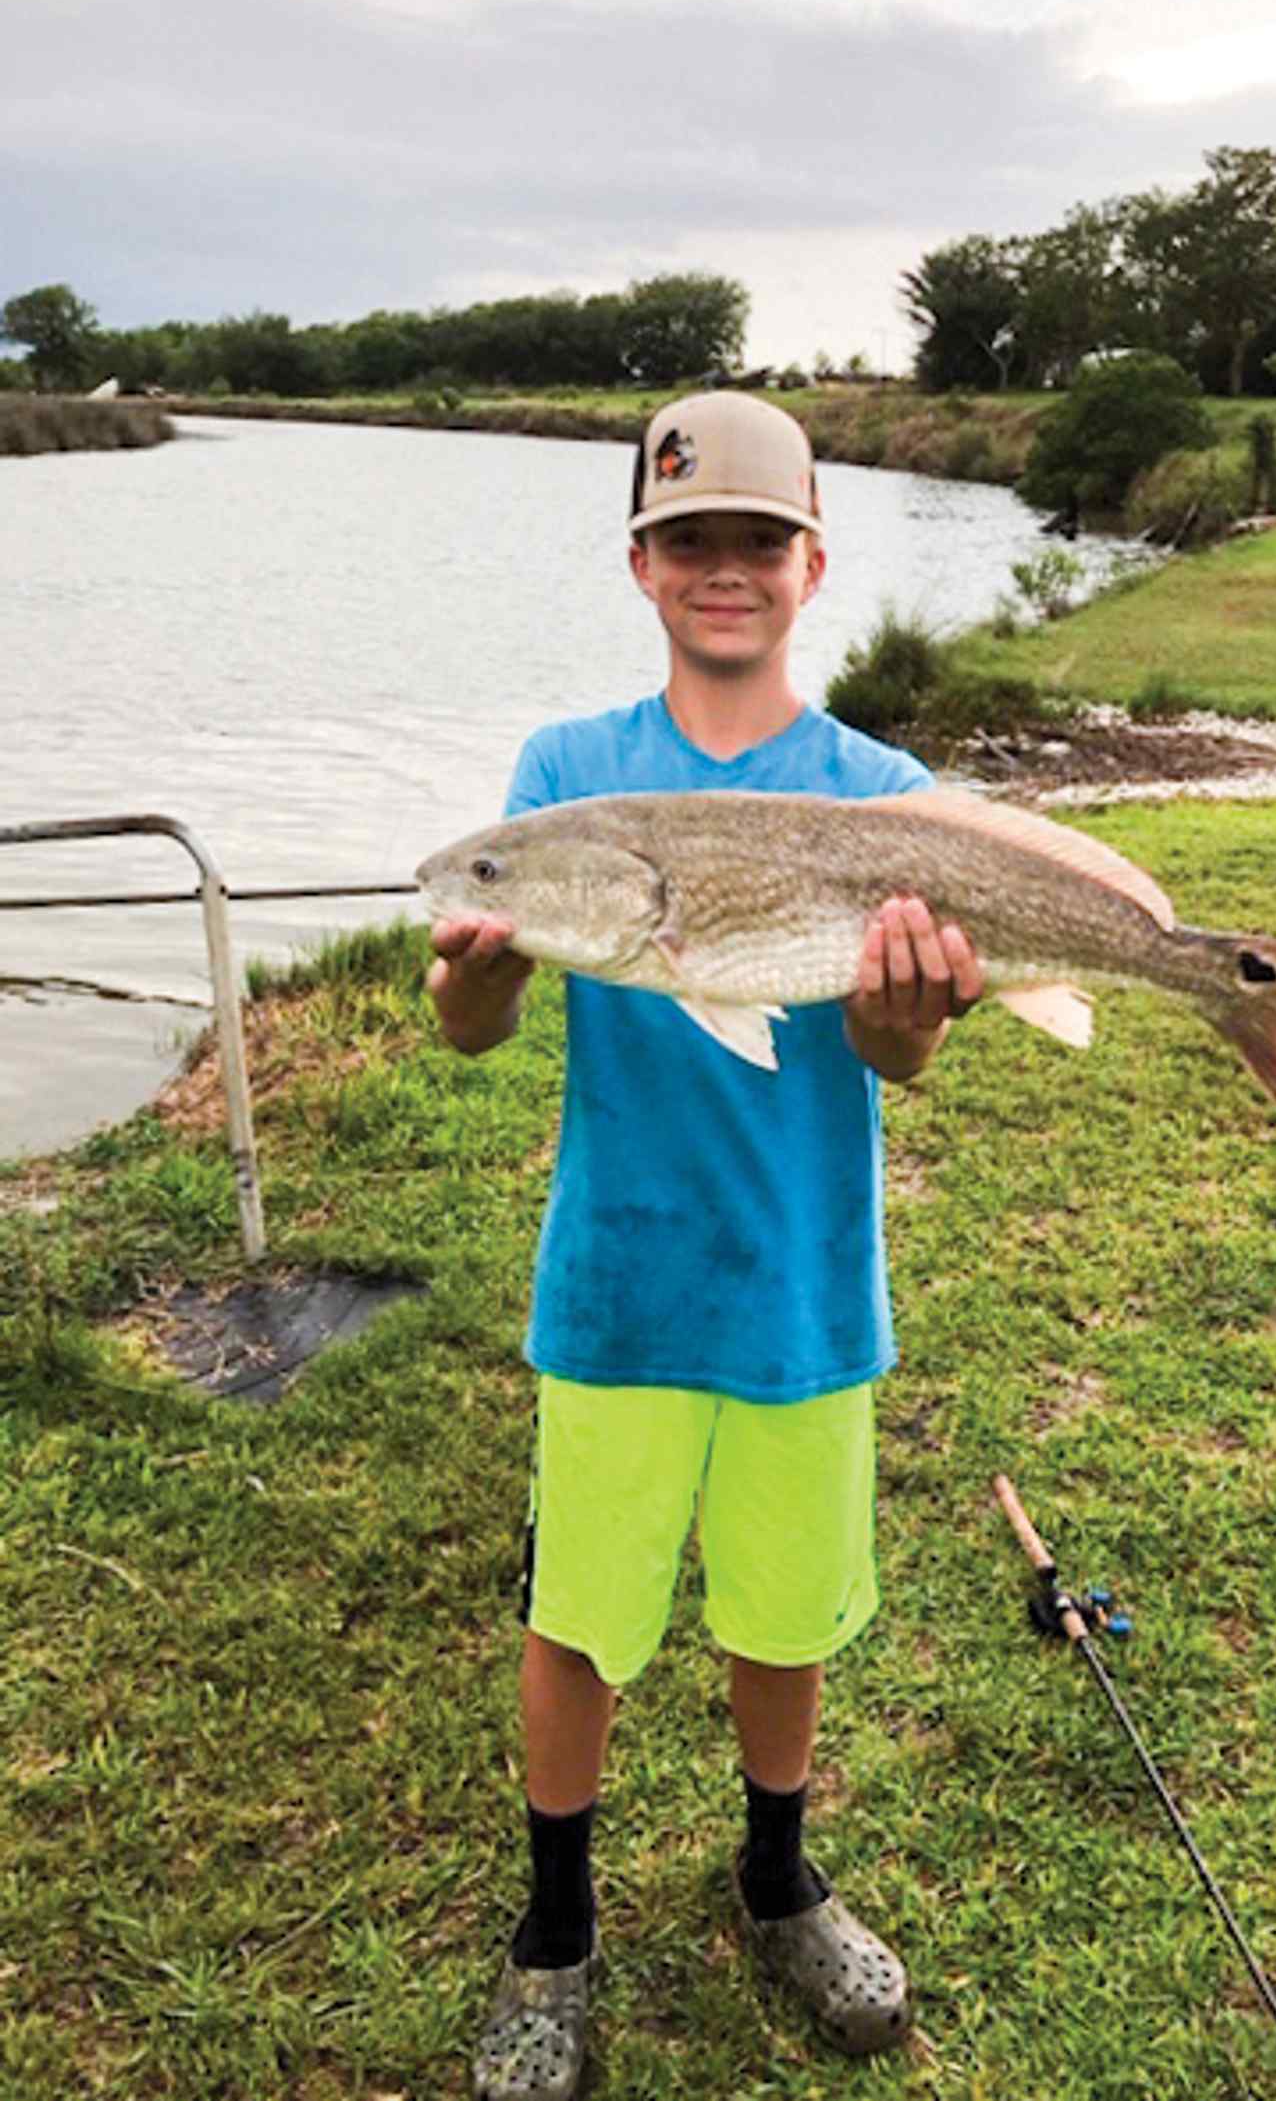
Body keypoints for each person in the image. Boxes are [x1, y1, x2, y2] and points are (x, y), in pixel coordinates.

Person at [426, 391, 985, 2101]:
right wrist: (481, 967)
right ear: (640, 564)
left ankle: (778, 1876)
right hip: (617, 1283)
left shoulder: (885, 796)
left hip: (805, 1283)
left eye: (759, 540)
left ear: (813, 563)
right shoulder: (566, 779)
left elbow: (894, 1056)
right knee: (580, 1617)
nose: (723, 569)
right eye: (689, 541)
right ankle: (554, 1929)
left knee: (782, 1606)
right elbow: (468, 1022)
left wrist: (911, 1008)